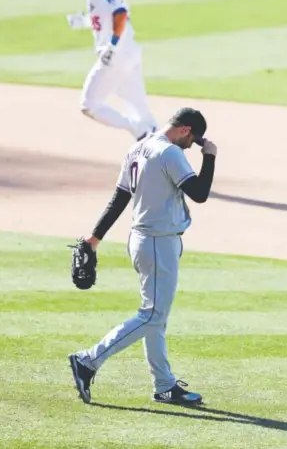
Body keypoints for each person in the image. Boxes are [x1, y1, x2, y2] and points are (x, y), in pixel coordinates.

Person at [68, 107, 217, 405]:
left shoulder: (138, 147)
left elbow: (120, 198)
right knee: (151, 315)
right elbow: (199, 193)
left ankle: (164, 385)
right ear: (186, 130)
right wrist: (210, 156)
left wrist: (94, 237)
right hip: (157, 242)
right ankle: (88, 360)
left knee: (155, 317)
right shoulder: (170, 153)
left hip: (142, 240)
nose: (193, 145)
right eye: (194, 140)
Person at [66, 0, 158, 140]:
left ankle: (138, 130)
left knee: (89, 106)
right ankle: (160, 146)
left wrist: (112, 44)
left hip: (115, 55)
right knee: (140, 109)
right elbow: (108, 16)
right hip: (129, 53)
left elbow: (121, 14)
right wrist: (85, 21)